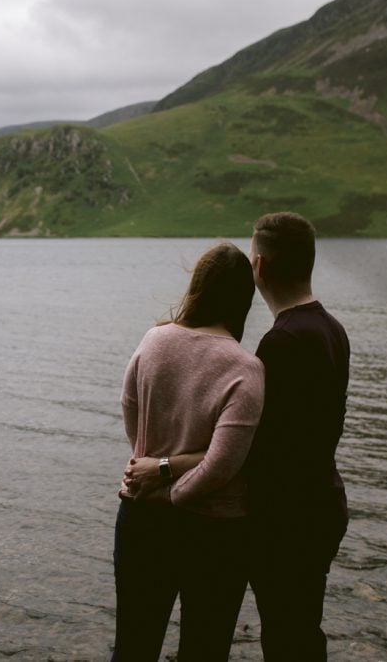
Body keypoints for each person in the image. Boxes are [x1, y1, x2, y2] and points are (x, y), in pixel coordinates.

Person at [113, 242, 264, 662]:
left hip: (142, 516)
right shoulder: (244, 367)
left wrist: (151, 460)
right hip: (215, 531)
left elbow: (129, 406)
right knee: (205, 648)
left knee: (133, 646)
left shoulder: (155, 339)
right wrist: (178, 494)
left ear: (196, 287)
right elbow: (223, 465)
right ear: (243, 299)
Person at [244, 211, 350, 661]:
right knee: (303, 629)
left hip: (289, 518)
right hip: (323, 501)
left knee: (285, 637)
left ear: (260, 268)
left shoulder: (282, 341)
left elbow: (267, 445)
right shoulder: (332, 328)